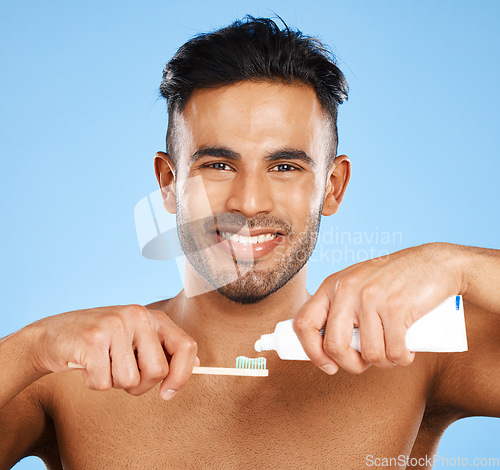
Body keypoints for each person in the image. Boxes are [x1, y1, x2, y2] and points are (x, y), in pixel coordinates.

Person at [1, 16, 499, 469]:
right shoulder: (66, 374)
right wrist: (29, 349)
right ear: (169, 182)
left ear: (334, 186)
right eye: (218, 165)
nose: (250, 201)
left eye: (285, 167)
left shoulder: (417, 353)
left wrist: (457, 266)